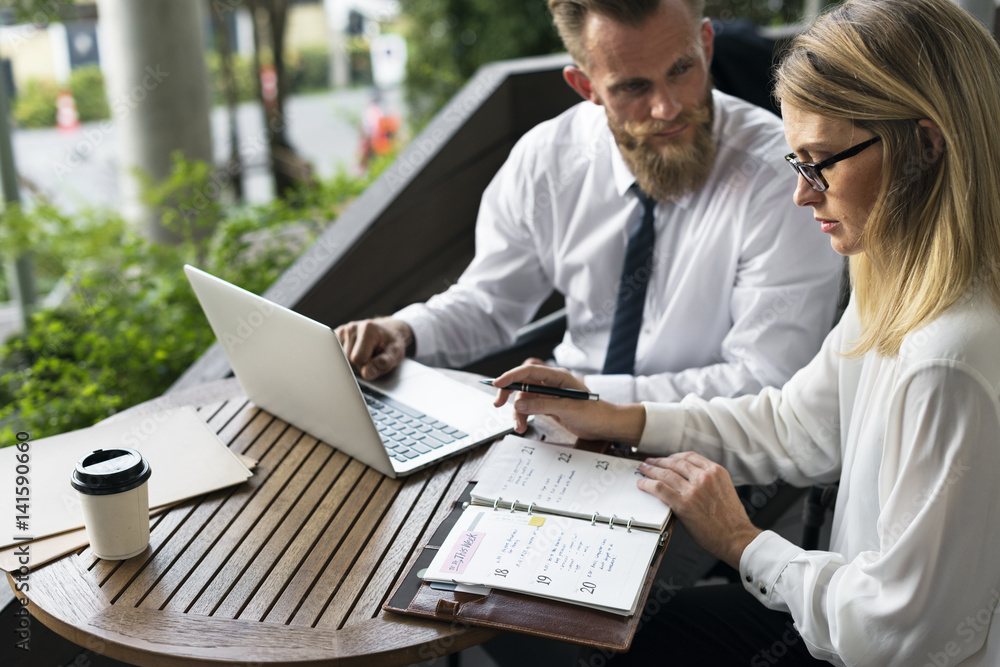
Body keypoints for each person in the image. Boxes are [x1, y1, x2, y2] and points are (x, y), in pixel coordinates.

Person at [489, 0, 1000, 664]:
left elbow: (897, 633)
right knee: (617, 635)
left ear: (927, 145)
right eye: (796, 163)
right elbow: (798, 425)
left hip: (863, 645)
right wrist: (619, 416)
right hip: (837, 611)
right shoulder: (900, 274)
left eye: (820, 162)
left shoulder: (951, 359)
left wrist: (742, 541)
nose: (802, 194)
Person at [336, 0, 843, 407]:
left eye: (682, 68)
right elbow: (490, 302)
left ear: (706, 45)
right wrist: (404, 330)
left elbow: (767, 380)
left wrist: (592, 398)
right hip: (558, 430)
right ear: (586, 87)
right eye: (633, 87)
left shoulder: (780, 177)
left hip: (706, 455)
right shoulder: (546, 159)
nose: (667, 107)